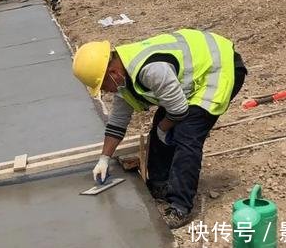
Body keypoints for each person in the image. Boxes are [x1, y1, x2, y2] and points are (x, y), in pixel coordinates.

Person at [71, 29, 247, 229]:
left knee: (186, 134)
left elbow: (179, 111)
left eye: (102, 86)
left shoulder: (151, 70)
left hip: (220, 68)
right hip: (194, 76)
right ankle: (158, 185)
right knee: (162, 126)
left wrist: (163, 129)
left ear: (113, 73)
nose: (105, 91)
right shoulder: (122, 77)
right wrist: (104, 158)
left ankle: (180, 206)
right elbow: (117, 122)